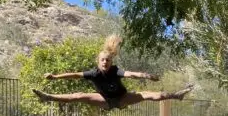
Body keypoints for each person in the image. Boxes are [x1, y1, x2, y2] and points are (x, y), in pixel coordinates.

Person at [32, 34, 193, 111]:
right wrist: (54, 77)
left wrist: (146, 75)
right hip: (105, 101)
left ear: (111, 62)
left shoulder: (115, 71)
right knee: (78, 95)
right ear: (98, 62)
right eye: (102, 60)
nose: (105, 62)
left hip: (122, 98)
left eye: (107, 60)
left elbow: (130, 74)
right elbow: (74, 74)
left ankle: (177, 95)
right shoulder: (93, 73)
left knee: (150, 95)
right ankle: (48, 97)